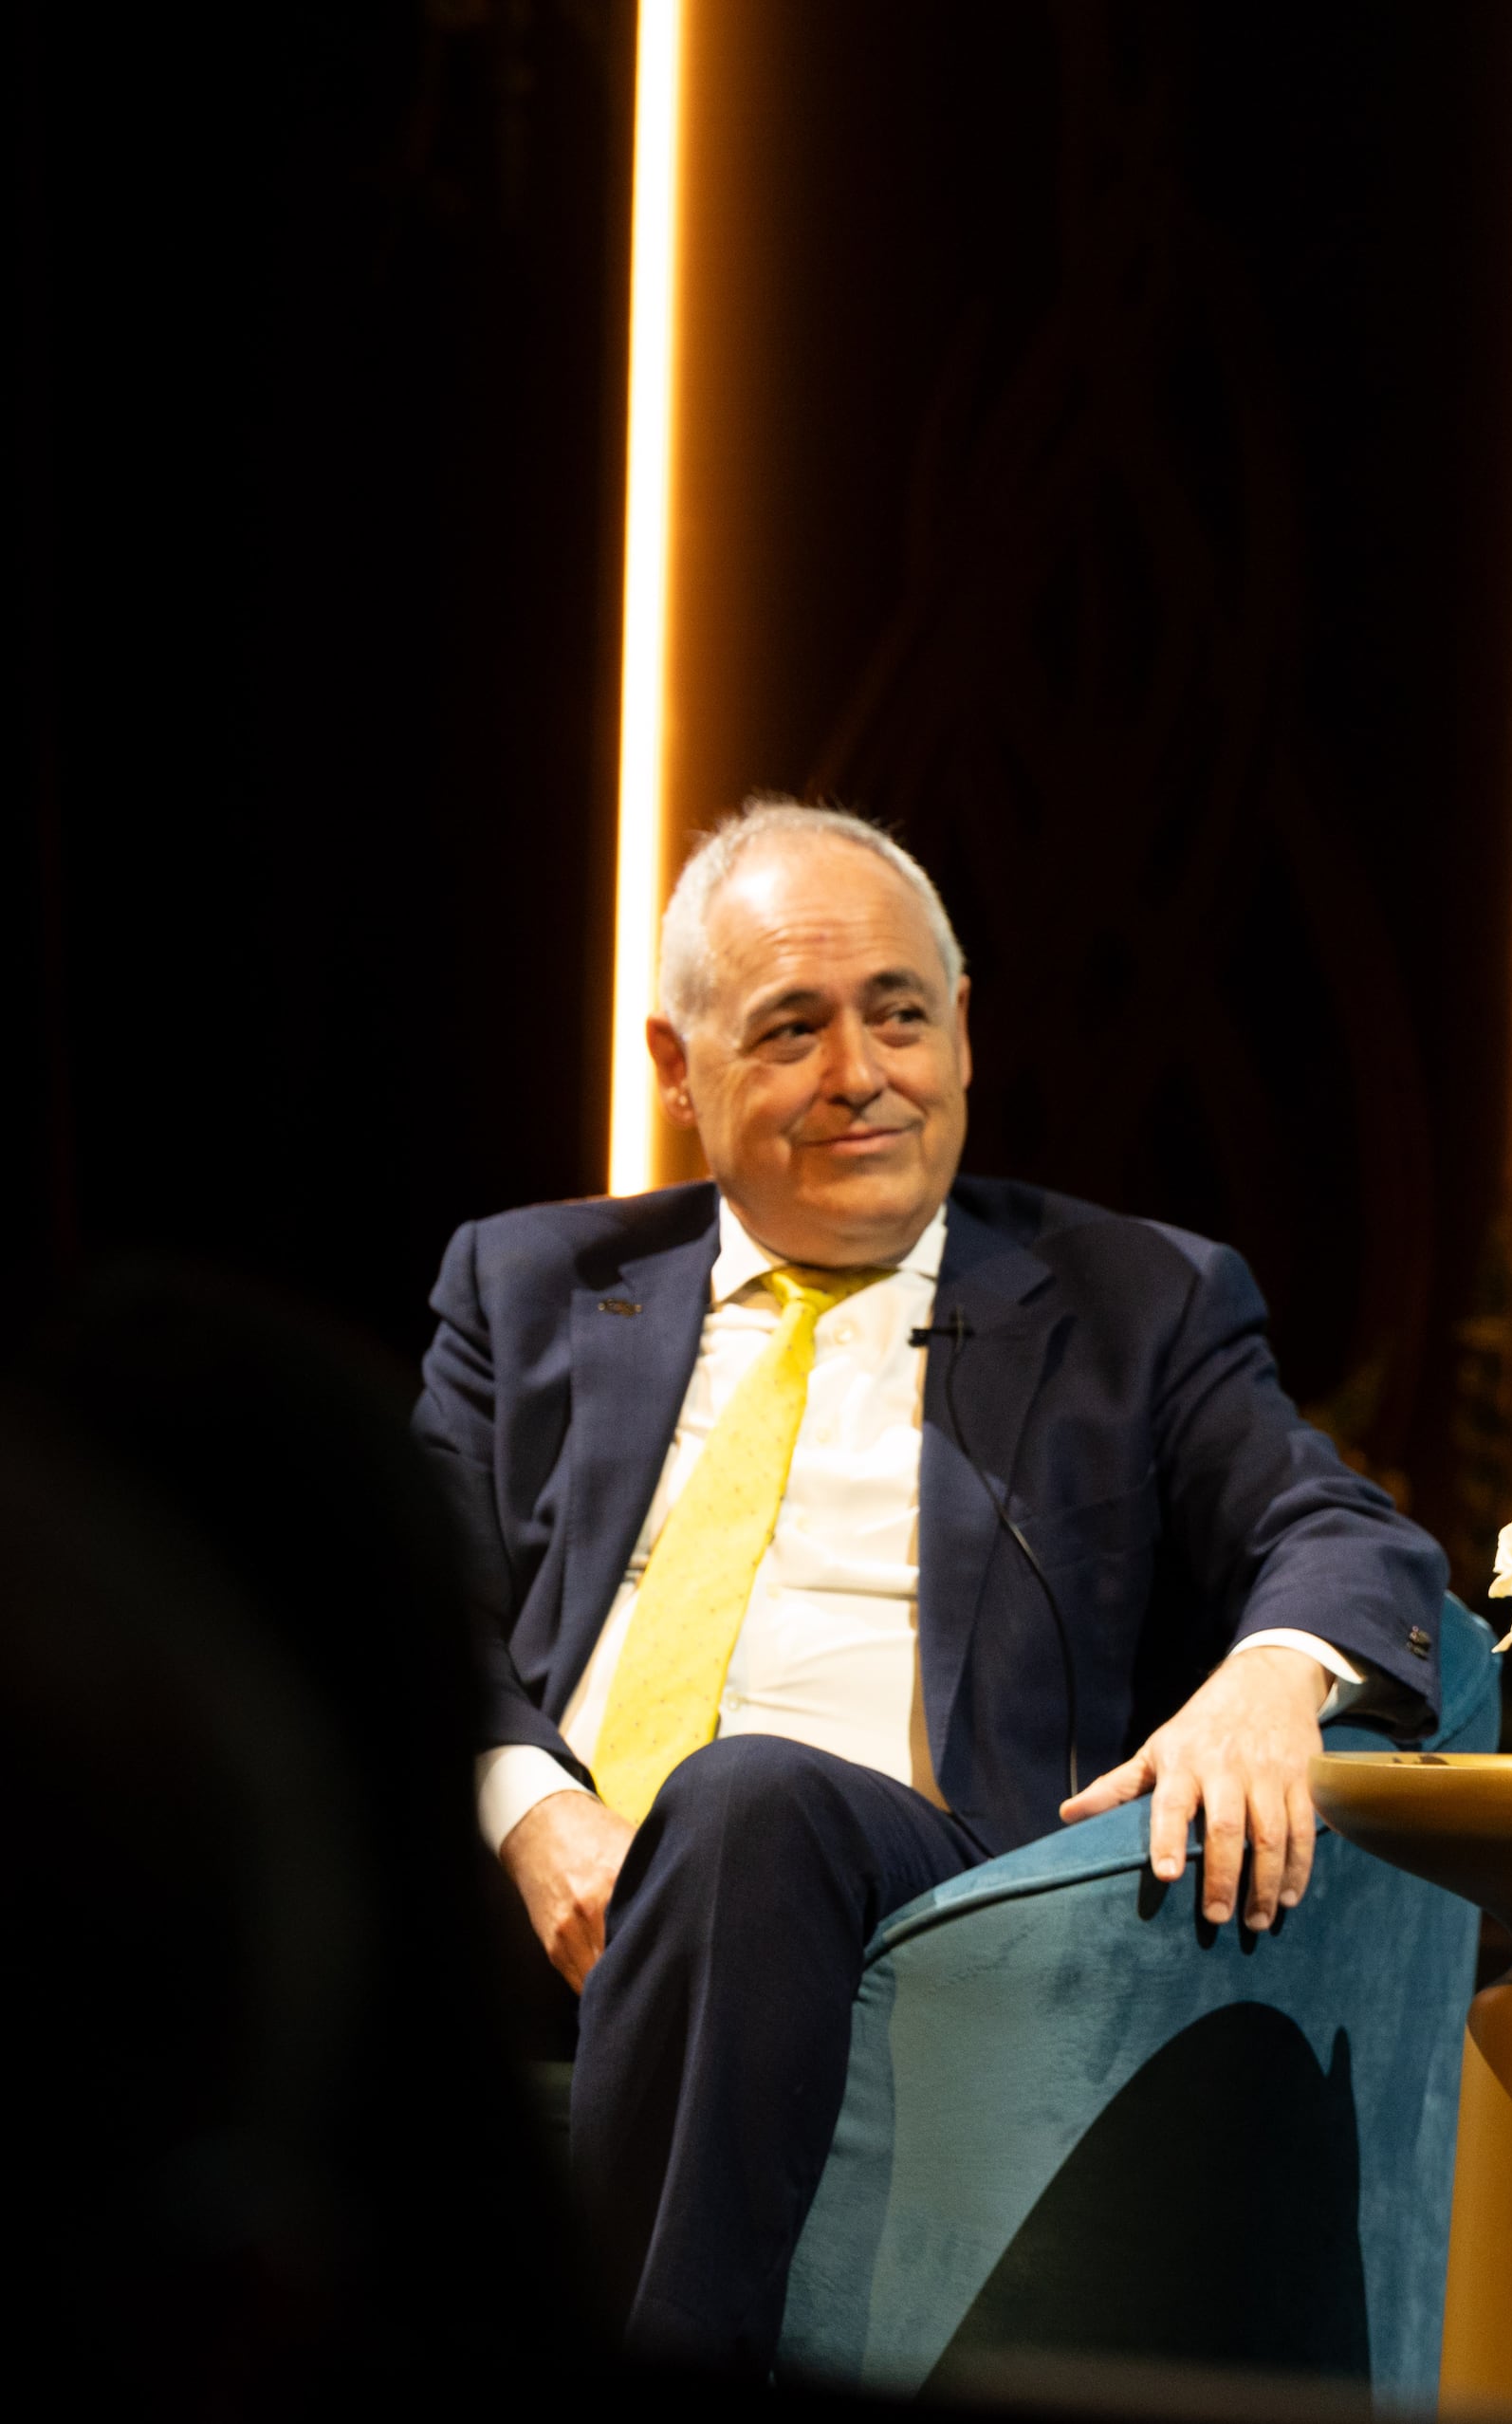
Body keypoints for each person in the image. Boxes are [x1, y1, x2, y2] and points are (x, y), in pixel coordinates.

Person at [415, 798, 1447, 2372]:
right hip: (529, 1899)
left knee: (746, 1804)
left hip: (912, 1898)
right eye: (791, 1029)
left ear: (963, 1033)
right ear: (677, 1069)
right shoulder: (530, 1284)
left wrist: (1269, 1679)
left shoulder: (1133, 1303)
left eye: (900, 1015)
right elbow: (403, 1599)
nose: (861, 1076)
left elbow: (1347, 1537)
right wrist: (527, 1806)